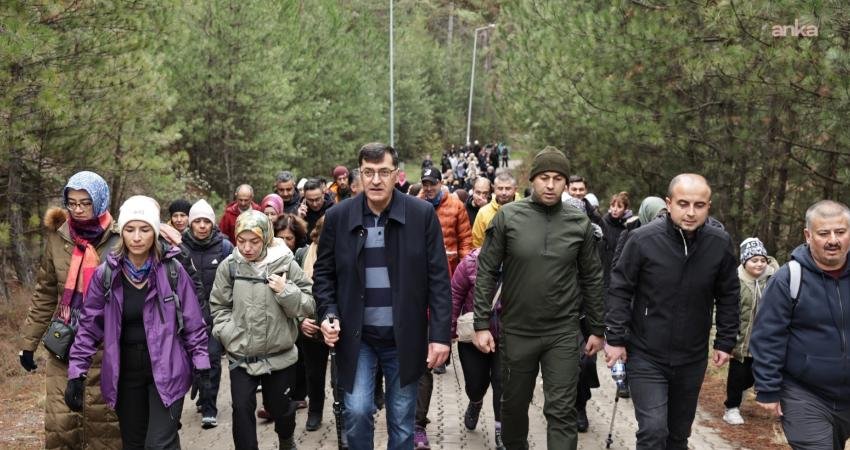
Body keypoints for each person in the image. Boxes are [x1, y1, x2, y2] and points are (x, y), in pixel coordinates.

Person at [314, 142, 451, 450]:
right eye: (368, 172)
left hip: (405, 338)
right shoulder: (338, 217)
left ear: (396, 175)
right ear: (358, 176)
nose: (376, 180)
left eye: (383, 172)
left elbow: (439, 280)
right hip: (356, 337)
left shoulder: (421, 215)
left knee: (402, 422)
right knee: (358, 411)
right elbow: (323, 275)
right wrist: (328, 314)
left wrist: (440, 335)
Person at [473, 147, 605, 449]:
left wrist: (597, 328)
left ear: (565, 183)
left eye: (558, 178)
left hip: (562, 331)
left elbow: (592, 277)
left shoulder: (579, 223)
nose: (550, 184)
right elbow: (487, 271)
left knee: (561, 410)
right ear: (532, 180)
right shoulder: (508, 217)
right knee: (514, 405)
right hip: (517, 330)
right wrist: (481, 323)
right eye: (544, 177)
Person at [605, 173, 740, 450]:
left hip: (691, 357)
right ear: (669, 203)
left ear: (708, 206)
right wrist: (615, 339)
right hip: (646, 354)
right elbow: (620, 288)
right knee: (654, 431)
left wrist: (726, 340)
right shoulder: (642, 240)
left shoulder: (719, 243)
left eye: (699, 205)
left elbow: (728, 293)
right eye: (683, 203)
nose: (690, 212)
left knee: (678, 436)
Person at [66, 195, 211, 449]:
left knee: (158, 443)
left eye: (144, 229)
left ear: (155, 232)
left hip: (167, 370)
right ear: (121, 232)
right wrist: (76, 373)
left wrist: (201, 365)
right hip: (125, 374)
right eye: (130, 229)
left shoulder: (172, 271)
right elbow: (89, 327)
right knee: (134, 444)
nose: (136, 237)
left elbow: (193, 323)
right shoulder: (107, 274)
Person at [19, 171, 122, 449]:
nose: (77, 209)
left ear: (100, 201)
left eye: (85, 203)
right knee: (61, 424)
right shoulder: (58, 238)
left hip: (107, 346)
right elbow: (46, 291)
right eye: (72, 202)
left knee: (105, 427)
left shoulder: (121, 238)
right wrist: (28, 343)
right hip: (64, 343)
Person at [209, 209, 315, 450]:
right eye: (241, 241)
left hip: (280, 356)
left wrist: (285, 290)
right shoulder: (230, 266)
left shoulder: (285, 262)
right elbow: (218, 305)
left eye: (254, 241)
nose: (247, 247)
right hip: (241, 354)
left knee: (281, 409)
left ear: (266, 238)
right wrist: (228, 334)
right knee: (242, 409)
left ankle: (286, 440)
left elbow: (309, 304)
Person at [750, 200, 850, 449]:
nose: (833, 240)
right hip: (805, 393)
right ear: (808, 235)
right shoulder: (789, 278)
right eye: (824, 233)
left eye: (840, 232)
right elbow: (768, 335)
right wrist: (768, 388)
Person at [182, 199, 235, 429]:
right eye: (198, 221)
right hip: (186, 315)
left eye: (206, 221)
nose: (202, 226)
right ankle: (202, 393)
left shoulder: (224, 248)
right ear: (191, 224)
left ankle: (210, 408)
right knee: (191, 362)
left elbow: (233, 281)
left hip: (214, 315)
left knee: (212, 359)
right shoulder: (180, 247)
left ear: (212, 224)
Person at [451, 248, 505, 449]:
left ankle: (502, 430)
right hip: (474, 337)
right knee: (476, 384)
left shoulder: (518, 262)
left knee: (502, 383)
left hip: (506, 337)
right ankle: (475, 402)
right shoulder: (469, 264)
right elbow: (455, 296)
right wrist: (448, 333)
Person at [722, 237, 778, 426]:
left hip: (765, 341)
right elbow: (728, 309)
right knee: (738, 376)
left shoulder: (773, 279)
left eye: (762, 260)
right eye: (754, 260)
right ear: (744, 261)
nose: (759, 264)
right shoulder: (735, 280)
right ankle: (732, 408)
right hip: (741, 341)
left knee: (756, 374)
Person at [471, 171, 517, 248]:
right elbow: (477, 243)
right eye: (500, 188)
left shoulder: (523, 209)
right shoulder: (483, 212)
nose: (504, 193)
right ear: (494, 189)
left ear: (515, 189)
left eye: (508, 188)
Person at [600, 192, 631, 288]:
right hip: (601, 272)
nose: (615, 209)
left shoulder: (626, 227)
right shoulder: (603, 223)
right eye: (613, 206)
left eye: (619, 206)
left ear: (625, 209)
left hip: (617, 274)